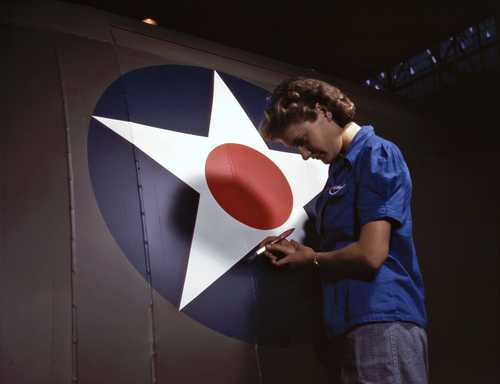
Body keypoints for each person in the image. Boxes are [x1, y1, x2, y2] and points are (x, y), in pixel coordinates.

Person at [258, 77, 429, 383]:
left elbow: (371, 254)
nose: (305, 154)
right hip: (349, 324)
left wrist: (310, 258)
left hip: (381, 319)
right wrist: (300, 251)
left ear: (322, 111)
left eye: (301, 139)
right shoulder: (339, 170)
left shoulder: (377, 154)